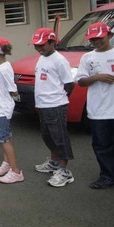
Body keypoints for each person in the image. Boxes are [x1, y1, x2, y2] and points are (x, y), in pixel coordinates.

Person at [75, 22, 114, 189]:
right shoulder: (87, 58)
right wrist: (96, 77)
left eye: (99, 38)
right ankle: (110, 177)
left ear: (109, 35)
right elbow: (80, 81)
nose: (96, 42)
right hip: (98, 111)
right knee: (102, 146)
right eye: (92, 39)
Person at [31, 28, 75, 187]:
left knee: (59, 137)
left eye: (42, 44)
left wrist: (58, 99)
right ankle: (54, 162)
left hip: (55, 105)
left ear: (52, 42)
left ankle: (64, 171)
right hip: (43, 105)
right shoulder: (42, 58)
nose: (39, 48)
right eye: (36, 45)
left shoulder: (59, 60)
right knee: (47, 136)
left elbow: (69, 85)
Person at [0, 38, 23, 182]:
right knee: (5, 137)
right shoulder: (1, 67)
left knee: (4, 139)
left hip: (3, 109)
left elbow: (13, 90)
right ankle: (6, 163)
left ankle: (16, 171)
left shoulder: (5, 68)